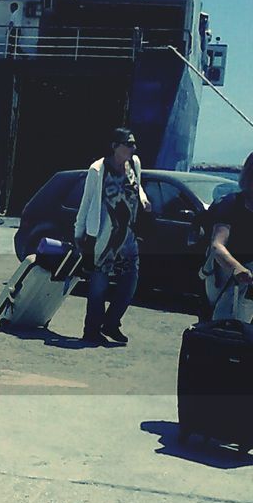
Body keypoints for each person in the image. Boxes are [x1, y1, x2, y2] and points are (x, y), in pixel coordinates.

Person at [74, 127, 150, 346]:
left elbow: (138, 186)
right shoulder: (98, 170)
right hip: (104, 237)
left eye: (134, 143)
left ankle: (111, 322)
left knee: (130, 281)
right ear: (115, 146)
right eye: (129, 143)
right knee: (99, 286)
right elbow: (87, 203)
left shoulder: (134, 163)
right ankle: (91, 330)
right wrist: (79, 235)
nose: (133, 147)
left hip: (128, 236)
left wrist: (143, 200)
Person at [208, 151, 253, 322]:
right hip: (230, 281)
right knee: (226, 328)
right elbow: (217, 245)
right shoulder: (231, 204)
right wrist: (236, 267)